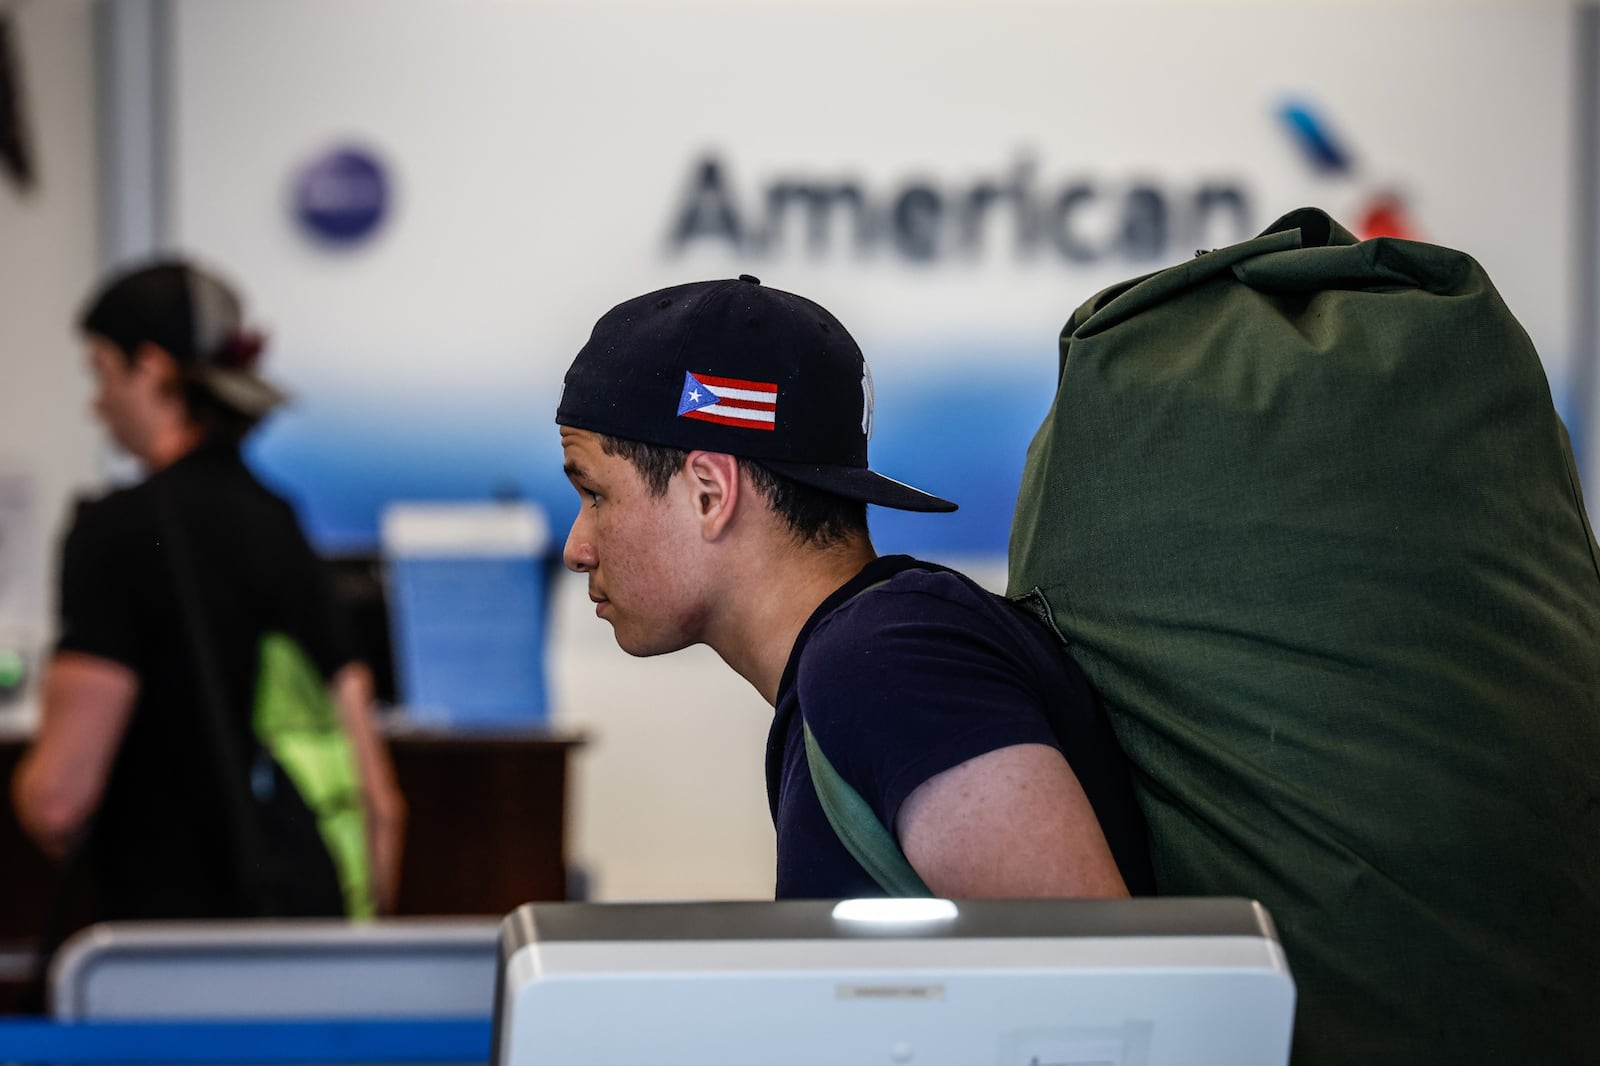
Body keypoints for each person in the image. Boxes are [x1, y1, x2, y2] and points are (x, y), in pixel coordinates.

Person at [556, 274, 1152, 898]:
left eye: (595, 493)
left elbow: (1090, 980)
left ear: (711, 492)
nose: (577, 549)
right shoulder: (868, 664)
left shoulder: (889, 668)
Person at [11, 259, 405, 919]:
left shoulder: (115, 532)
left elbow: (60, 798)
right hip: (309, 926)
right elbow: (381, 803)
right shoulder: (280, 520)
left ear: (154, 368)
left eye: (103, 371)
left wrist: (28, 785)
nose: (96, 403)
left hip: (169, 949)